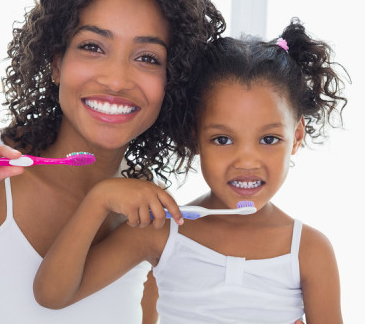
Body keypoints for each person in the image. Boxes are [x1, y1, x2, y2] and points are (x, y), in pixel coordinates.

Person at [0, 0, 226, 323]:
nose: (117, 80)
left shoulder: (151, 222)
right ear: (56, 62)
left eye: (148, 58)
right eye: (92, 47)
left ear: (173, 81)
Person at [33, 19, 346, 324]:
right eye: (222, 139)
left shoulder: (308, 251)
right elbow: (52, 295)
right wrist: (99, 199)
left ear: (297, 138)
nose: (247, 161)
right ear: (194, 136)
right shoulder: (162, 231)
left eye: (269, 139)